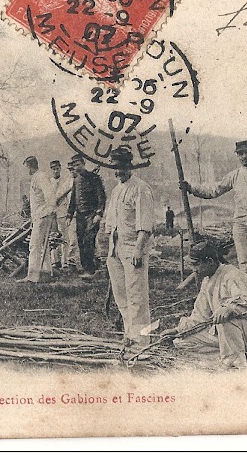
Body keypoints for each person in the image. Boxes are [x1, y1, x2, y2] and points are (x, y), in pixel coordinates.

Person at [185, 140, 247, 294]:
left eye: (246, 153)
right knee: (246, 262)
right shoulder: (235, 175)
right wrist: (191, 188)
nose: (244, 157)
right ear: (237, 156)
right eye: (240, 154)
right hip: (241, 223)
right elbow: (215, 190)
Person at [160, 241, 247, 369]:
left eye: (197, 264)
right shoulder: (207, 281)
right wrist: (178, 330)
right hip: (228, 333)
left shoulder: (232, 275)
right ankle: (236, 356)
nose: (194, 270)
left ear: (210, 262)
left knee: (225, 320)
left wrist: (229, 309)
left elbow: (246, 302)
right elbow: (200, 317)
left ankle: (236, 365)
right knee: (181, 342)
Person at [104, 146, 156, 349]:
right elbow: (110, 225)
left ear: (130, 166)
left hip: (133, 249)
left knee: (137, 297)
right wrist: (108, 250)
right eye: (115, 168)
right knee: (121, 296)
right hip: (115, 250)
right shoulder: (117, 190)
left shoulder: (140, 189)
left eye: (122, 167)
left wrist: (138, 250)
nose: (118, 172)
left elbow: (145, 225)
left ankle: (142, 341)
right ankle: (130, 335)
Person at [17, 156, 56, 284]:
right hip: (39, 216)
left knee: (34, 246)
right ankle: (46, 273)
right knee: (43, 245)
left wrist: (50, 210)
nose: (25, 170)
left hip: (43, 216)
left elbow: (49, 193)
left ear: (29, 166)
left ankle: (33, 276)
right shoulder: (37, 177)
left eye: (26, 167)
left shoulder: (40, 177)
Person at [67, 154, 106, 280]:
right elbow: (73, 199)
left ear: (84, 164)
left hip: (91, 215)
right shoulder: (76, 180)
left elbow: (101, 196)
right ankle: (86, 268)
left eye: (78, 164)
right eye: (74, 165)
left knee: (89, 241)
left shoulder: (94, 178)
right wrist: (69, 215)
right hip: (80, 216)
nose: (77, 167)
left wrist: (99, 214)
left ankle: (91, 270)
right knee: (81, 242)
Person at [49, 160, 77, 271]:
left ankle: (66, 261)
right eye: (53, 168)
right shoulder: (49, 182)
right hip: (52, 214)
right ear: (51, 169)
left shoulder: (66, 181)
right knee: (53, 237)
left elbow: (62, 195)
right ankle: (54, 261)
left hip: (63, 212)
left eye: (57, 168)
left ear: (60, 168)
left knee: (65, 238)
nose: (55, 170)